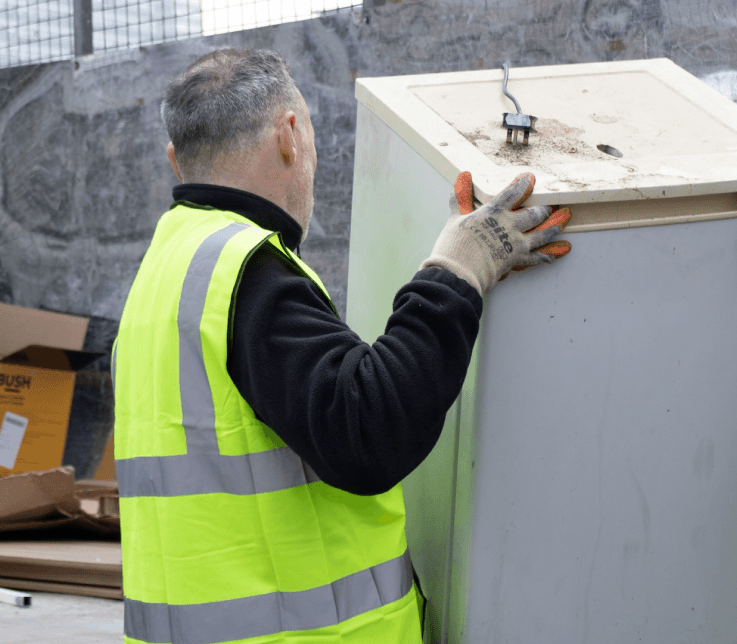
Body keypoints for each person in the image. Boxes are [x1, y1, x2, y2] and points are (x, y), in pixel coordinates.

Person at [110, 47, 571, 644]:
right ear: (290, 133)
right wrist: (457, 271)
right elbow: (366, 431)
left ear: (178, 162)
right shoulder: (246, 271)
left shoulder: (160, 281)